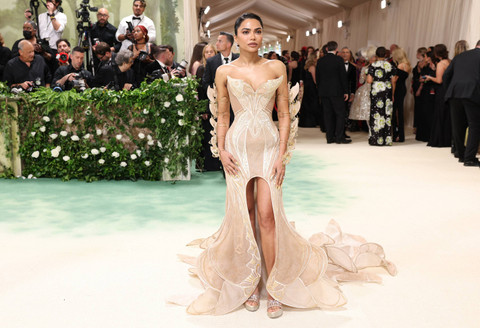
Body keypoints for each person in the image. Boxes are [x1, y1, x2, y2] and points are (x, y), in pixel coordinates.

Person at [181, 13, 396, 319]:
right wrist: (222, 149)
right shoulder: (224, 71)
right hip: (238, 149)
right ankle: (251, 282)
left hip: (269, 147)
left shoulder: (276, 67)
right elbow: (224, 114)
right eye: (246, 32)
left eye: (257, 31)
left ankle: (275, 286)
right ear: (236, 37)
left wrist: (282, 154)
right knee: (247, 216)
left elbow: (284, 114)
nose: (253, 36)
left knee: (268, 216)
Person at [444, 40, 480, 166]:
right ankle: (469, 158)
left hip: (454, 93)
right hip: (472, 94)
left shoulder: (460, 56)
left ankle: (461, 155)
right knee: (475, 126)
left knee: (458, 126)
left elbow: (446, 76)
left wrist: (450, 90)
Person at [316, 41, 350, 144]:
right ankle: (339, 137)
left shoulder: (320, 61)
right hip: (336, 91)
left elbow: (318, 77)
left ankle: (329, 138)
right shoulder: (338, 60)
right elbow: (342, 76)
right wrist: (346, 91)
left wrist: (320, 89)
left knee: (328, 114)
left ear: (326, 49)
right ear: (336, 49)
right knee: (340, 114)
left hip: (324, 92)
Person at [366, 46, 396, 146]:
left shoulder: (372, 65)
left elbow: (369, 80)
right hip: (387, 90)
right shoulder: (390, 65)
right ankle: (386, 139)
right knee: (387, 114)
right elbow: (393, 81)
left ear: (376, 55)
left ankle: (376, 139)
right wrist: (392, 94)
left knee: (376, 113)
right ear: (385, 55)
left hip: (377, 91)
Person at [425, 44, 451, 147]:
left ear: (436, 53)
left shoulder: (441, 63)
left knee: (440, 114)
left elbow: (439, 80)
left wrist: (429, 77)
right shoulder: (450, 61)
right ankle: (447, 139)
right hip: (449, 90)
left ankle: (439, 140)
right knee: (446, 115)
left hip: (442, 91)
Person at [349, 46, 376, 126]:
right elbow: (361, 80)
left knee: (369, 111)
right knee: (368, 111)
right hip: (370, 89)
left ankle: (372, 130)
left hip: (369, 89)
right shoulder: (367, 68)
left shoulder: (365, 68)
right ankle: (372, 130)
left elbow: (361, 80)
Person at [392, 48, 411, 142]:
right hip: (403, 89)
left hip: (397, 90)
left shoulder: (400, 65)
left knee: (396, 112)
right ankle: (400, 135)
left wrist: (392, 93)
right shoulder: (407, 65)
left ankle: (396, 135)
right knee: (399, 111)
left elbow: (394, 81)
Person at [299, 53, 321, 127]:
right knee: (312, 104)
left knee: (307, 104)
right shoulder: (312, 67)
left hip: (307, 87)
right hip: (312, 88)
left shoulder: (307, 66)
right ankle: (311, 122)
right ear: (314, 58)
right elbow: (315, 80)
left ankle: (306, 121)